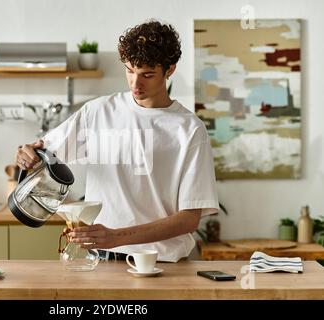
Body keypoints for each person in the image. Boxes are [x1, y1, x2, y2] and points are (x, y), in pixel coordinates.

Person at [15, 19, 219, 262]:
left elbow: (189, 218)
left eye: (148, 74)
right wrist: (25, 154)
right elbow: (43, 155)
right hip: (100, 261)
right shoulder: (97, 112)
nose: (136, 83)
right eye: (130, 70)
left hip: (162, 264)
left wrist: (118, 237)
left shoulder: (189, 129)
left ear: (170, 70)